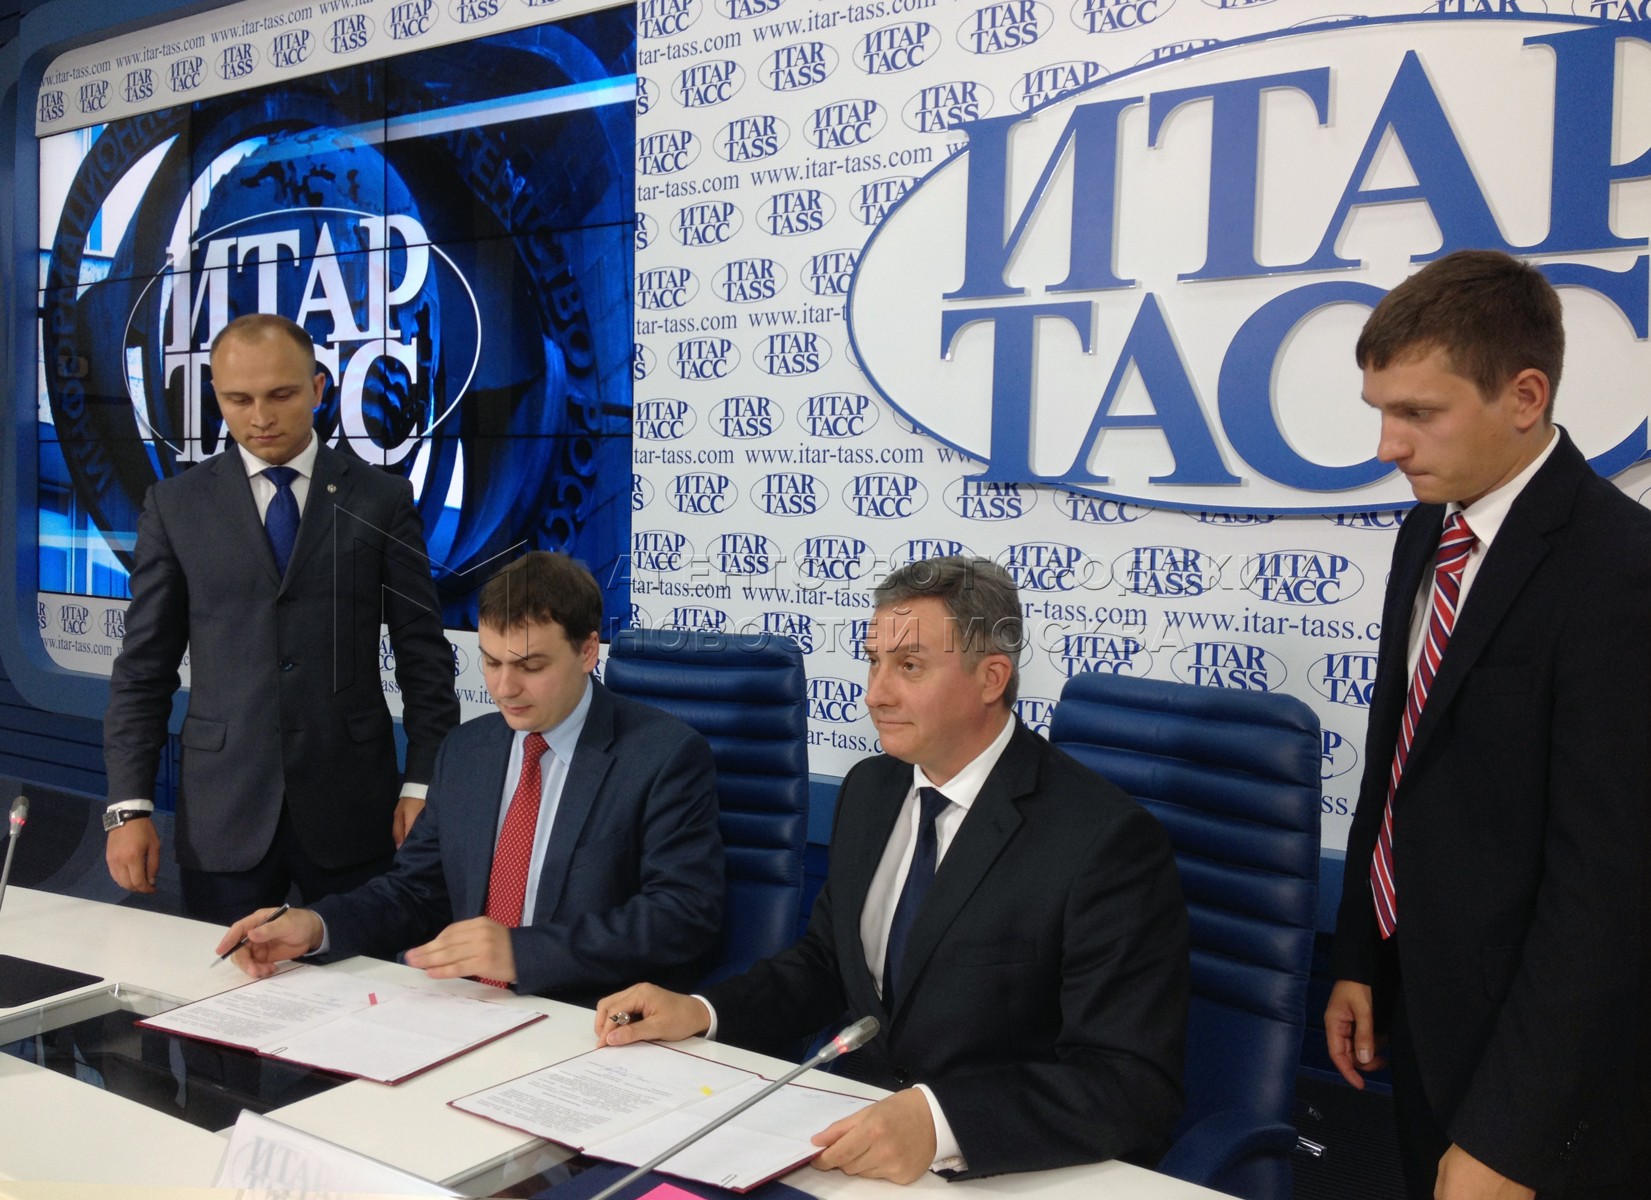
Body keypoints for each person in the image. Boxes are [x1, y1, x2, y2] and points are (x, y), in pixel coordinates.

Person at [595, 556, 1188, 1183]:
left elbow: (1129, 1083)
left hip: (998, 1165)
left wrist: (940, 1121)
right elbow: (827, 964)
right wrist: (702, 1010)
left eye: (909, 666)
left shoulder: (1103, 840)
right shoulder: (872, 790)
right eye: (874, 661)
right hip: (846, 1133)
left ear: (991, 678)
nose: (876, 693)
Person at [1325, 250, 1651, 1200]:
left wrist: (1513, 1133)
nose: (1387, 445)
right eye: (1379, 411)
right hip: (1420, 1009)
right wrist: (1361, 957)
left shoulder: (1619, 573)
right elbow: (1396, 763)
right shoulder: (1427, 530)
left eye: (1417, 413)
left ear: (1523, 396)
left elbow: (1608, 889)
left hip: (1539, 1068)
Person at [217, 551, 724, 1003]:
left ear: (588, 651)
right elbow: (415, 892)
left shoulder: (663, 757)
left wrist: (521, 953)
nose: (504, 688)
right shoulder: (466, 750)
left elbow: (682, 915)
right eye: (491, 661)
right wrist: (317, 925)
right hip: (461, 1006)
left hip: (583, 1016)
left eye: (530, 666)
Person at [103, 313, 460, 923]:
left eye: (281, 394)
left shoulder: (381, 499)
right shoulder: (176, 506)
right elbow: (144, 669)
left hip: (355, 806)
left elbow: (423, 656)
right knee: (221, 980)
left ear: (318, 388)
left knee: (362, 975)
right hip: (224, 811)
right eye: (238, 400)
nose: (260, 417)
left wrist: (423, 781)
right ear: (216, 395)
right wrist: (128, 806)